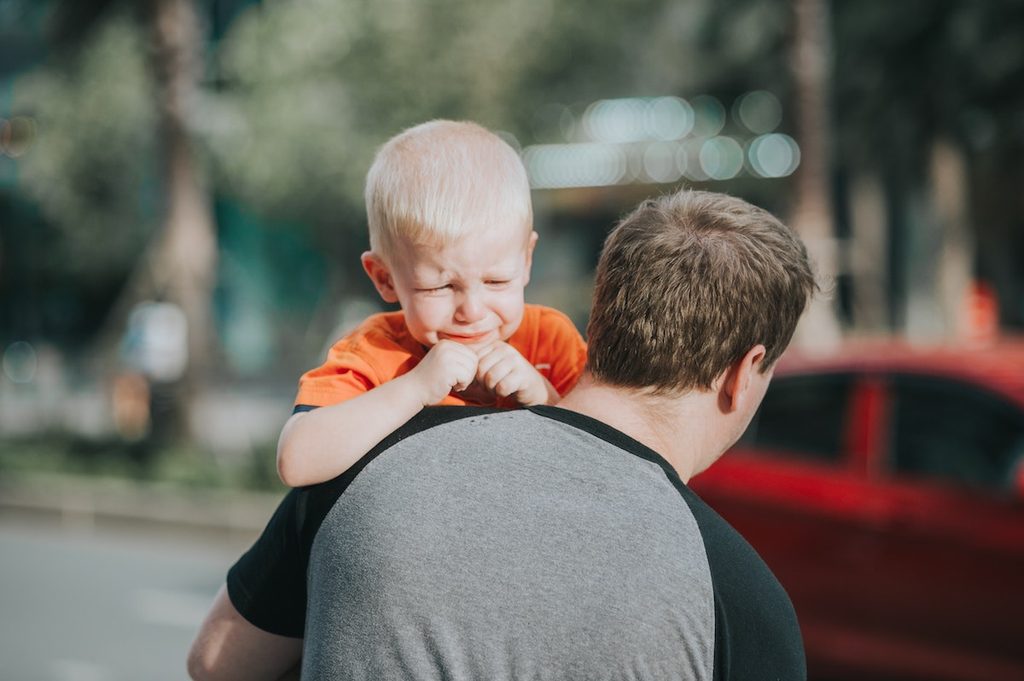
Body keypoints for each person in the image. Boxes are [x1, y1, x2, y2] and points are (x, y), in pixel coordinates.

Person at [189, 189, 816, 681]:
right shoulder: (741, 601)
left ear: (600, 320)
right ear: (741, 375)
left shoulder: (365, 465)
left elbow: (215, 663)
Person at [275, 120, 587, 487]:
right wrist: (413, 388)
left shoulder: (550, 340)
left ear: (527, 261)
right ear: (384, 278)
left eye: (496, 281)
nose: (472, 311)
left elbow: (608, 461)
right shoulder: (375, 352)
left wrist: (544, 397)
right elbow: (297, 462)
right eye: (440, 287)